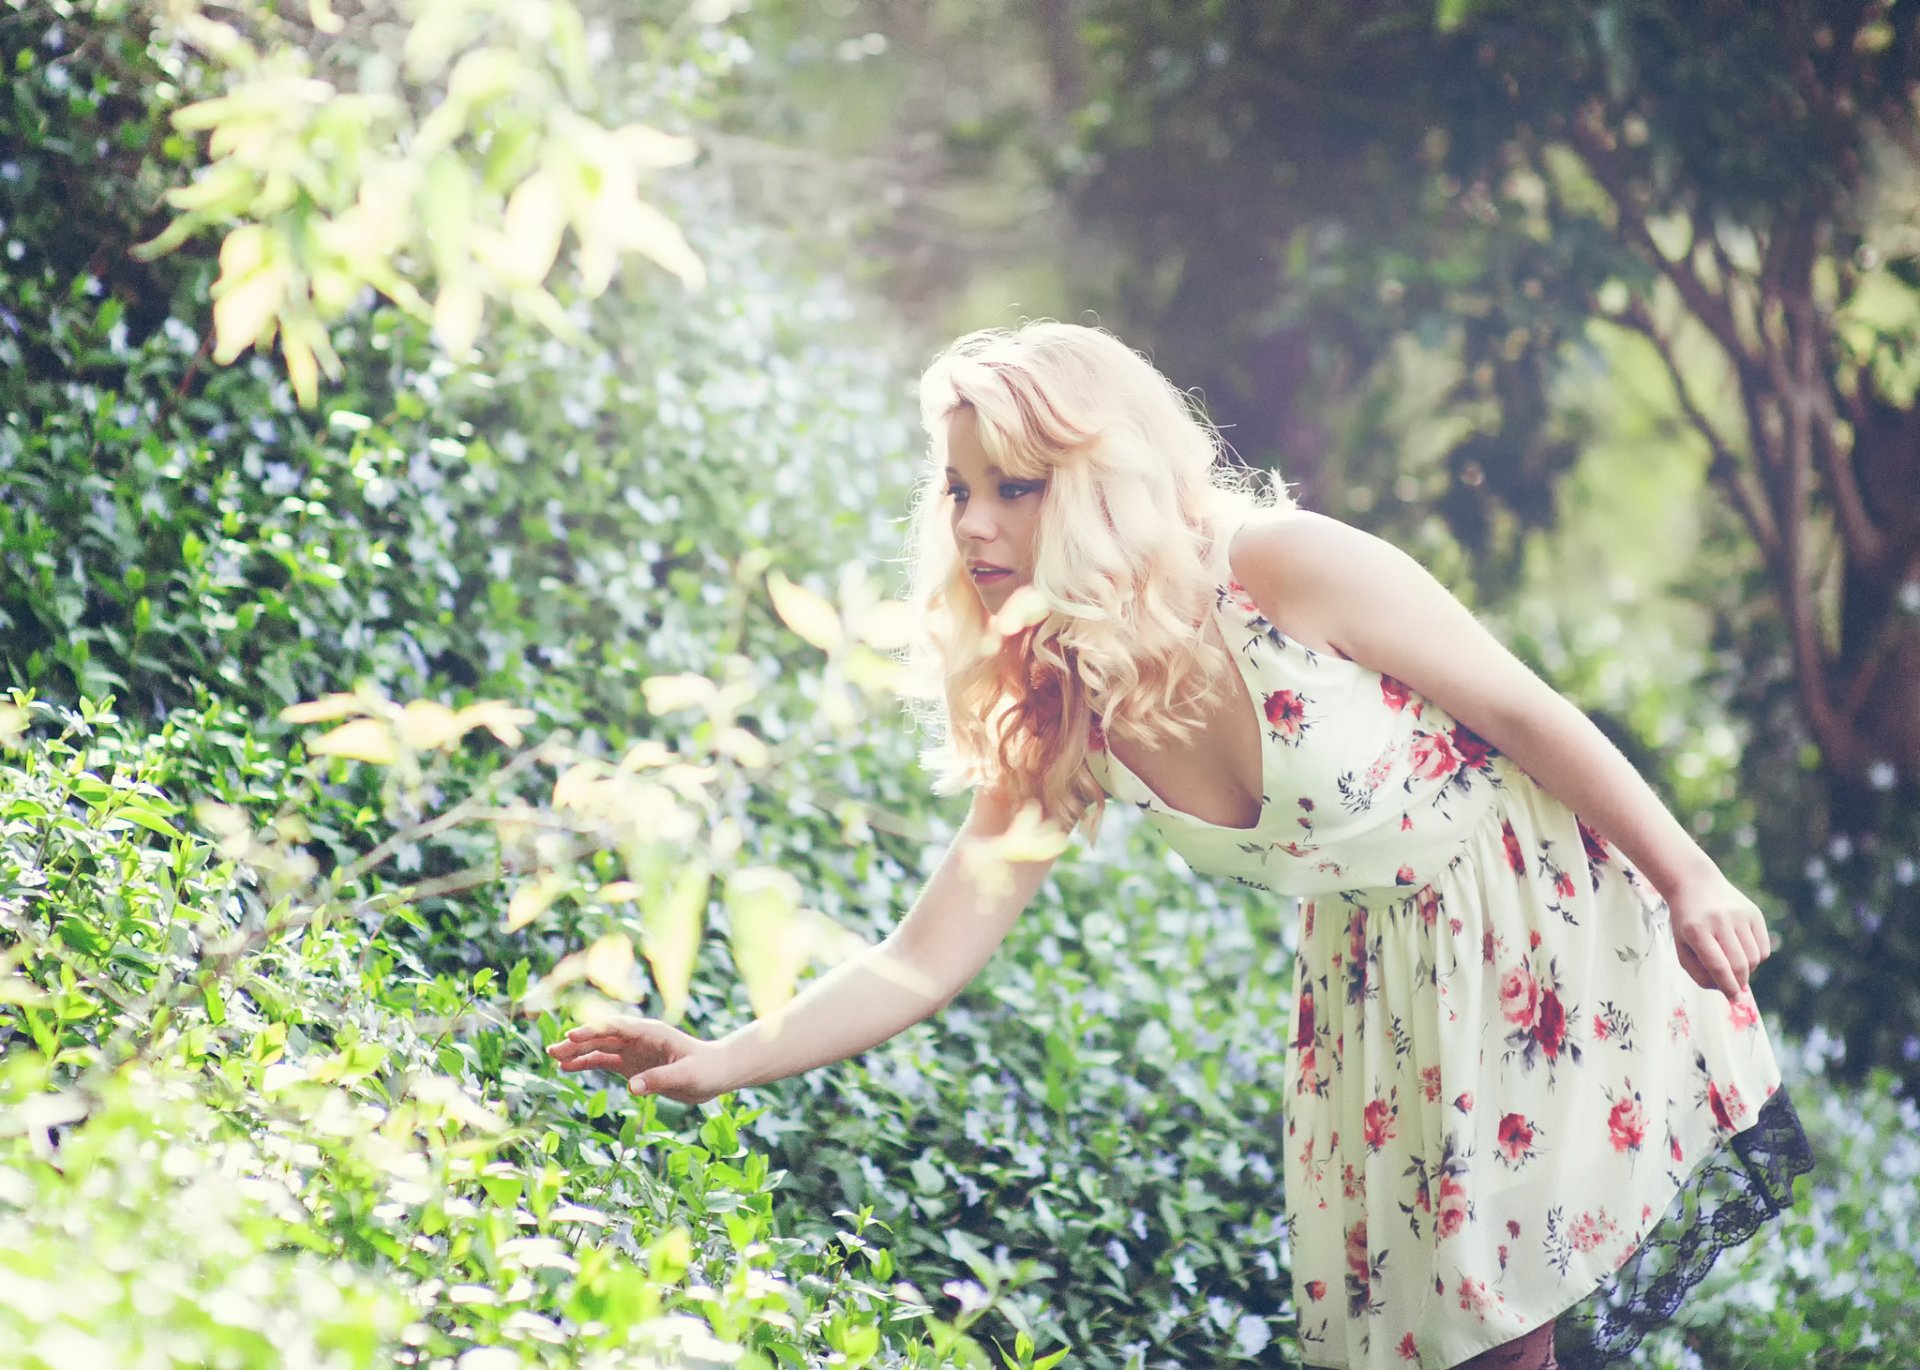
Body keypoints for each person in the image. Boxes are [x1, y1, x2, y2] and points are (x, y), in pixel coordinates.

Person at [548, 322, 1813, 1369]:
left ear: (1099, 480)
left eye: (1014, 485)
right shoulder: (1062, 706)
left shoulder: (1281, 567)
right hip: (1380, 991)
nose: (973, 523)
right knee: (1447, 1347)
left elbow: (1525, 710)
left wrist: (1690, 873)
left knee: (1500, 1343)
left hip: (1536, 920)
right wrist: (719, 1062)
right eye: (958, 487)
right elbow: (923, 958)